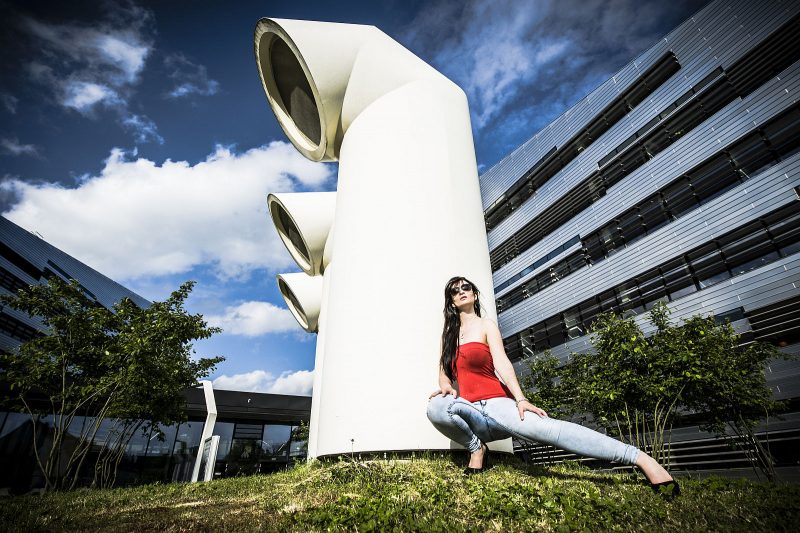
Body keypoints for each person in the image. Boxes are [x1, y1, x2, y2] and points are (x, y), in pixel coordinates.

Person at [426, 276, 679, 498]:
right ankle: (476, 448)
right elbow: (444, 374)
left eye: (466, 287)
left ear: (474, 293)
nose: (461, 291)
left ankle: (640, 458)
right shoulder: (448, 334)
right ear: (451, 301)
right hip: (471, 411)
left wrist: (521, 399)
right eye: (455, 290)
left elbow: (502, 362)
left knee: (552, 430)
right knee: (436, 406)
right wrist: (446, 387)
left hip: (498, 406)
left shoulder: (486, 325)